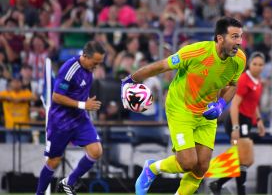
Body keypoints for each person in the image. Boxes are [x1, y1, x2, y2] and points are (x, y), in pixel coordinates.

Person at [121, 17, 246, 195]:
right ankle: (152, 168)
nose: (239, 42)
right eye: (234, 37)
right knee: (188, 162)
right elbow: (162, 66)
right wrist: (131, 80)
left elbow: (232, 86)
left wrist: (221, 104)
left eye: (240, 37)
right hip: (181, 107)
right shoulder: (196, 52)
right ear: (220, 38)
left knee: (201, 167)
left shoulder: (239, 60)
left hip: (207, 112)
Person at [36, 41, 106, 195]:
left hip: (80, 118)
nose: (97, 66)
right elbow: (56, 96)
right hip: (61, 121)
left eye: (99, 63)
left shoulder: (88, 68)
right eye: (95, 63)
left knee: (96, 151)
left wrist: (84, 106)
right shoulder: (70, 68)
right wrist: (83, 105)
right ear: (85, 57)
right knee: (54, 161)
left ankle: (68, 182)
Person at [209, 52, 266, 195]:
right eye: (255, 64)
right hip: (237, 120)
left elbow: (253, 104)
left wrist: (258, 120)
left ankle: (218, 183)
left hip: (247, 121)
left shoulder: (258, 82)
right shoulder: (245, 80)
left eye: (260, 65)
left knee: (245, 160)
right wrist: (235, 128)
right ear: (249, 64)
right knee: (245, 159)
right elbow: (234, 105)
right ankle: (239, 191)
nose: (258, 67)